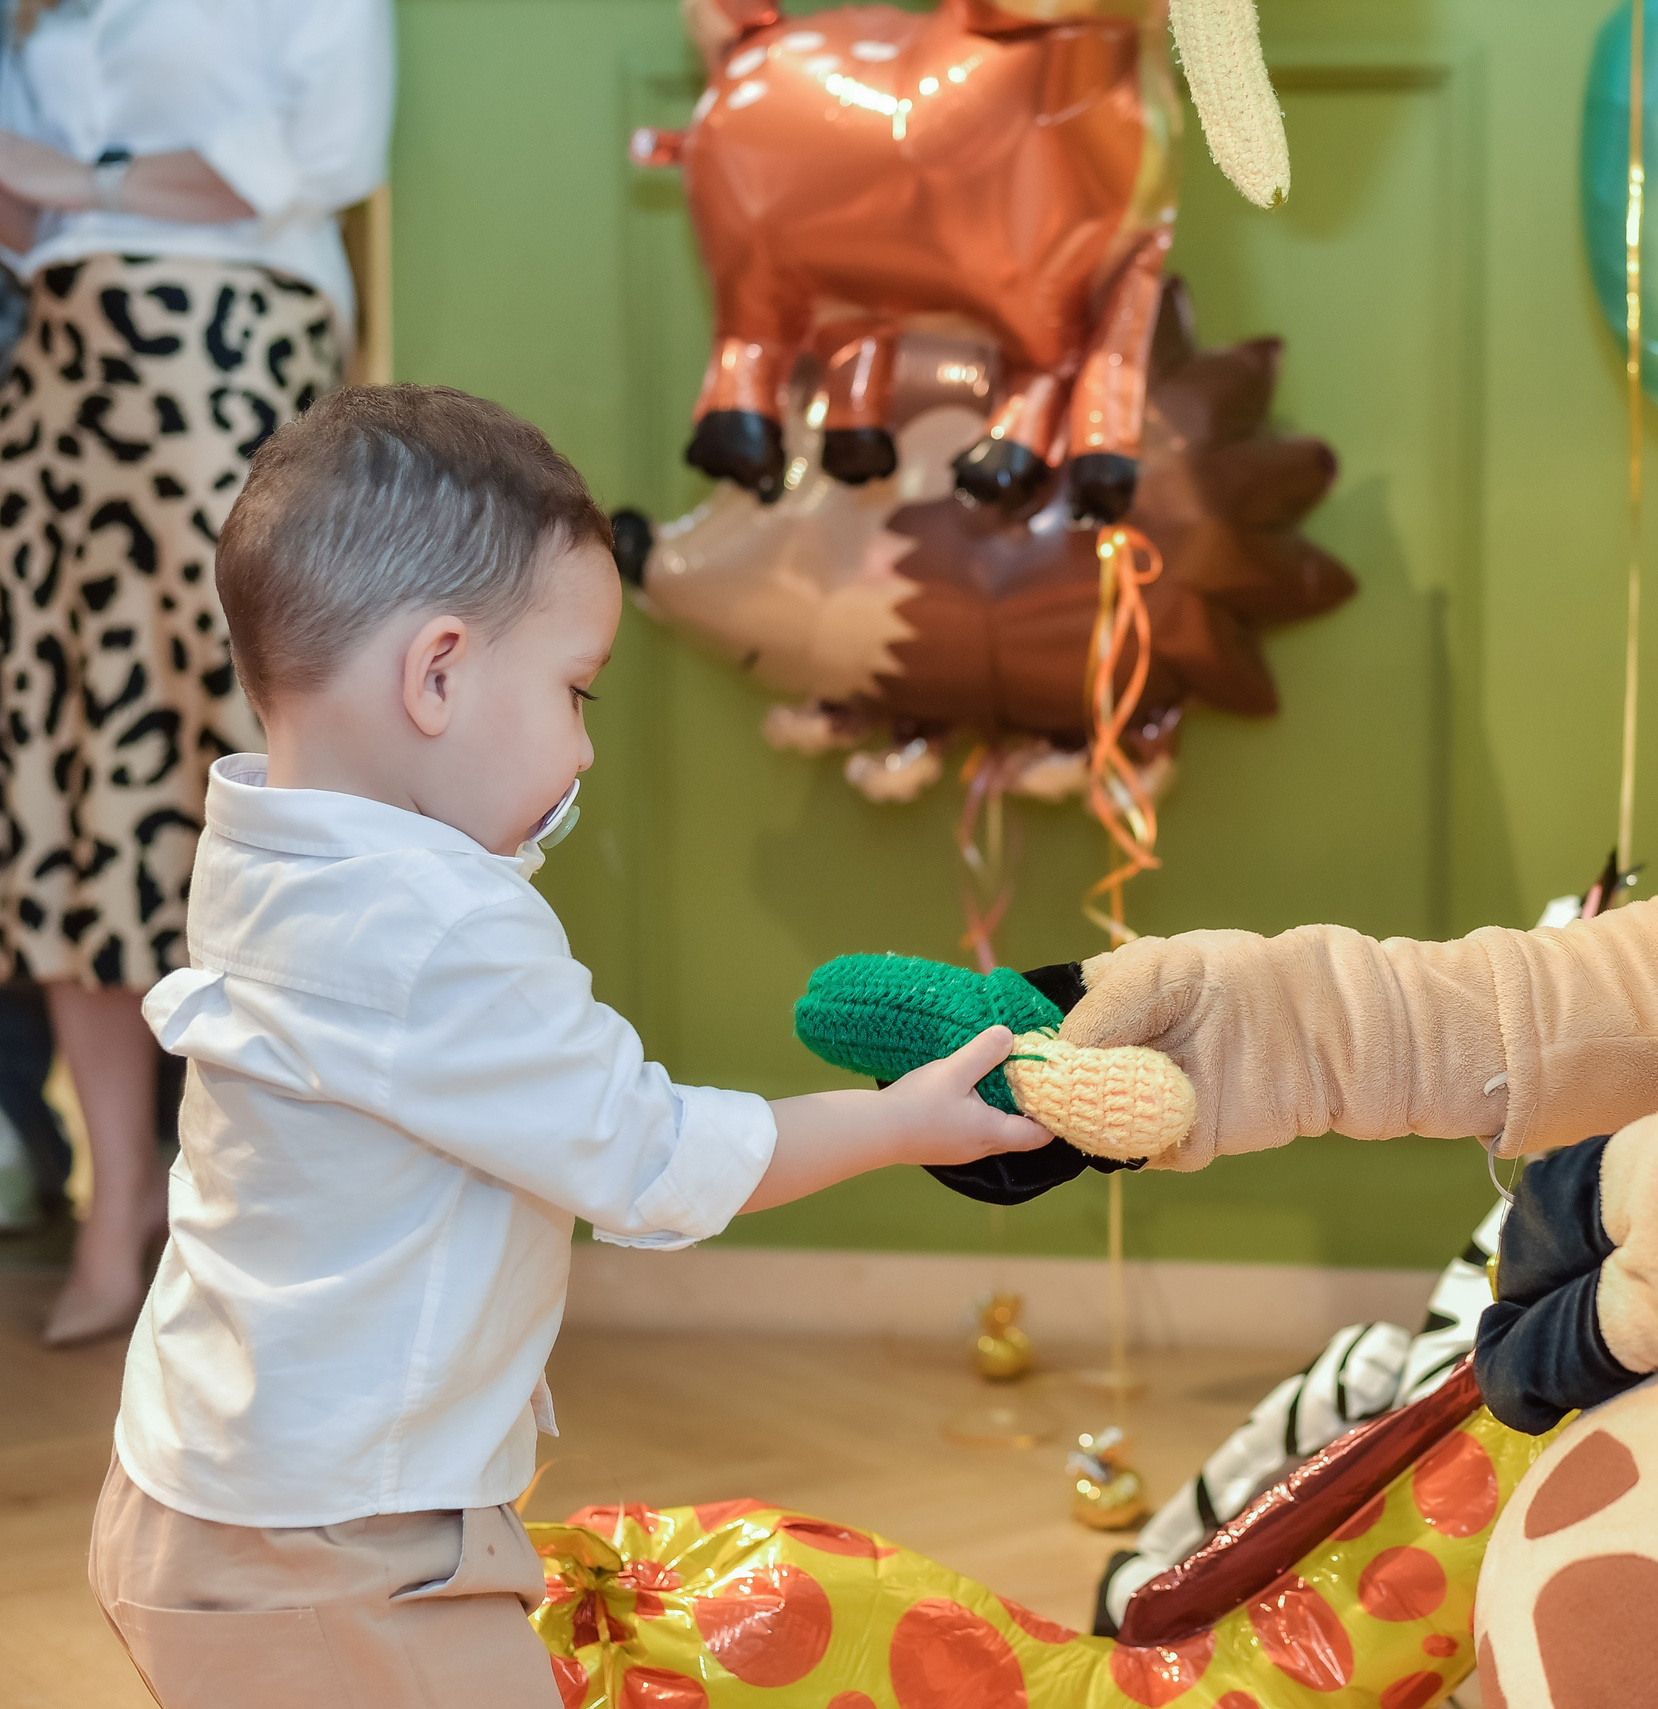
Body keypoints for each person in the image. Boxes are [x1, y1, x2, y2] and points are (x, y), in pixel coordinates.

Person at [84, 385, 1052, 1709]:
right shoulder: (440, 928)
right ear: (436, 673)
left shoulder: (272, 846)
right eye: (576, 691)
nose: (585, 744)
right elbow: (645, 1156)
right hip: (334, 1548)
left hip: (214, 1494)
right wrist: (896, 1121)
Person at [0, 0, 393, 1344]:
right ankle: (121, 1208)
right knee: (68, 787)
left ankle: (279, 1210)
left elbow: (325, 160)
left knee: (254, 773)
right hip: (53, 386)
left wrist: (84, 181)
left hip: (224, 370)